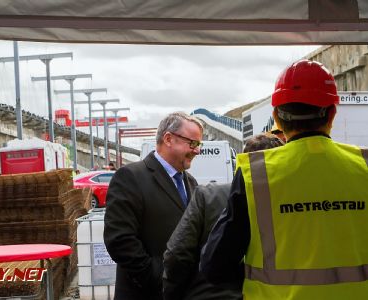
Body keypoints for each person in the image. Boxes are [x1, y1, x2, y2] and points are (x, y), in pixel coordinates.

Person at [200, 59, 368, 299]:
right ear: (332, 113)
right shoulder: (364, 165)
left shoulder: (256, 174)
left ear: (276, 118)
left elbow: (214, 268)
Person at [163, 133, 284, 300]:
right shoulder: (294, 200)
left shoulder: (207, 195)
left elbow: (177, 254)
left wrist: (173, 293)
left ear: (241, 162)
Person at [104, 111, 203, 300]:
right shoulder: (130, 177)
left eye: (199, 144)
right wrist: (160, 277)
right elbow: (120, 241)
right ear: (168, 139)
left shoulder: (191, 182)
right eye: (193, 143)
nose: (197, 150)